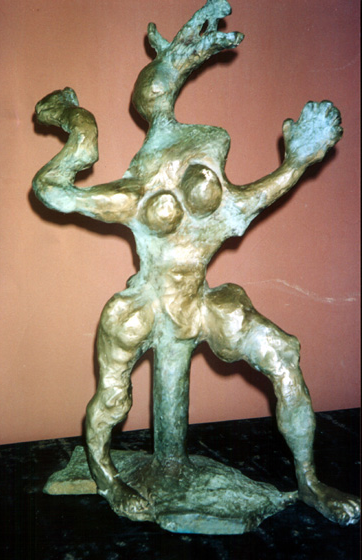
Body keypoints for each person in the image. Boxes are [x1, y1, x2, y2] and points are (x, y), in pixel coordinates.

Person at [33, 0, 360, 525]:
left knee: (282, 355)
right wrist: (80, 129)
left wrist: (300, 158)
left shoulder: (217, 190)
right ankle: (107, 475)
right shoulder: (133, 194)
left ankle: (309, 481)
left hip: (202, 305)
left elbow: (258, 196)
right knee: (113, 398)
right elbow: (52, 191)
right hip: (146, 305)